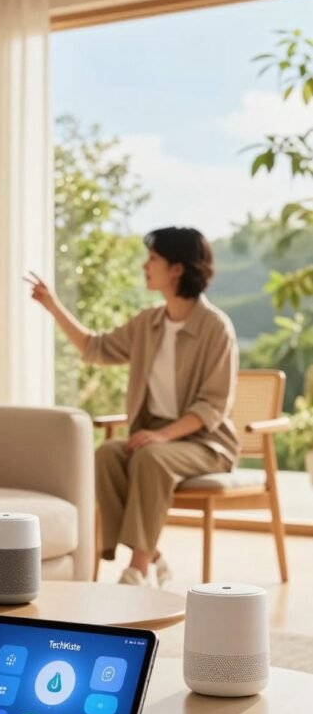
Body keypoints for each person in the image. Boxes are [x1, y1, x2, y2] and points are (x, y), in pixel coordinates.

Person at [26, 226, 239, 586]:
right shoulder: (148, 323)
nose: (145, 266)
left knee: (150, 457)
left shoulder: (216, 328)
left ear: (177, 269)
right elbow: (95, 348)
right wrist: (52, 305)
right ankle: (153, 555)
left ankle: (138, 568)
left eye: (153, 259)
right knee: (108, 455)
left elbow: (213, 405)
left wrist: (163, 436)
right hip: (155, 437)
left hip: (206, 443)